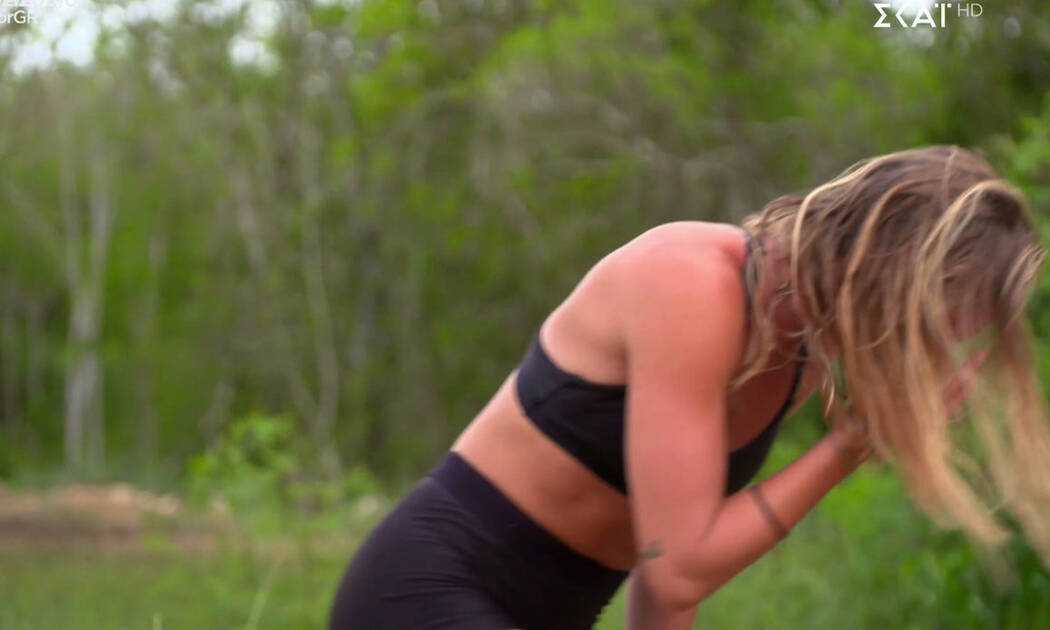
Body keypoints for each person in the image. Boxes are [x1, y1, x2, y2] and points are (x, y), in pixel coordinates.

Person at [328, 146, 1050, 630]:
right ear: (893, 264)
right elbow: (681, 567)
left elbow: (663, 574)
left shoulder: (798, 351)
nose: (938, 345)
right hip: (423, 591)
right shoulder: (691, 284)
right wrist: (851, 447)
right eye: (942, 315)